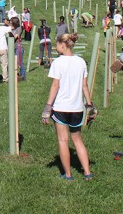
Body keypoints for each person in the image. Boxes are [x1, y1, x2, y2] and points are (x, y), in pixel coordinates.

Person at [42, 32, 95, 180]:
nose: (56, 47)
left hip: (60, 108)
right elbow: (85, 86)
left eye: (57, 45)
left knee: (63, 140)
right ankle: (87, 172)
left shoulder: (58, 62)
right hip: (77, 108)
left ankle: (68, 174)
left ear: (63, 45)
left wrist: (47, 107)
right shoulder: (81, 62)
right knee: (77, 140)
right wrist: (89, 105)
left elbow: (55, 85)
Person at [11, 16, 26, 81]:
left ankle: (23, 76)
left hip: (18, 46)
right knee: (13, 62)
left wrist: (9, 32)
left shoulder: (19, 28)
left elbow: (15, 36)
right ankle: (15, 75)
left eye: (11, 21)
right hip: (12, 46)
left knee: (19, 62)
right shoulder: (11, 28)